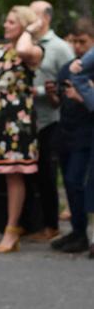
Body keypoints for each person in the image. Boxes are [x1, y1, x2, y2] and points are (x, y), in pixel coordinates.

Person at [0, 6, 44, 252]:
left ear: (23, 25)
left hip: (17, 121)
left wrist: (32, 30)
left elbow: (23, 49)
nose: (6, 25)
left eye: (12, 22)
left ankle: (11, 232)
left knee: (13, 174)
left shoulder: (32, 51)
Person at [28, 0, 73, 241]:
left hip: (51, 120)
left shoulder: (60, 47)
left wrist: (42, 92)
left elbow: (68, 82)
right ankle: (36, 223)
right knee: (33, 175)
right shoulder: (27, 44)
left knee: (48, 173)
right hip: (28, 121)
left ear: (45, 18)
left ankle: (52, 225)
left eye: (32, 14)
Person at [48, 18, 94, 256]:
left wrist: (82, 95)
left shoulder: (90, 67)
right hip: (66, 132)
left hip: (86, 135)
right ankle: (77, 232)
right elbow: (59, 100)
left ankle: (83, 232)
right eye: (74, 41)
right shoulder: (68, 67)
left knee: (78, 183)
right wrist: (54, 95)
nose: (78, 47)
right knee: (68, 182)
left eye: (83, 42)